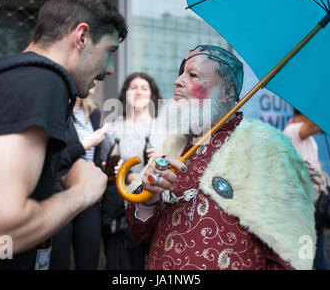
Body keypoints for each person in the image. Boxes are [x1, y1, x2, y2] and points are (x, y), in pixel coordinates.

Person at [0, 0, 127, 269]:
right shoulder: (40, 81)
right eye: (109, 50)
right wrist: (81, 193)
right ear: (82, 36)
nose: (110, 68)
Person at [125, 45, 316, 270]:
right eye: (181, 72)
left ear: (227, 91)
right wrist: (149, 199)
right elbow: (140, 233)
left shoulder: (267, 149)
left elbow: (291, 253)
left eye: (193, 74)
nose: (178, 81)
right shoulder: (173, 145)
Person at [100, 72, 165, 269]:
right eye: (133, 87)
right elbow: (104, 166)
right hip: (120, 209)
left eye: (144, 88)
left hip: (155, 208)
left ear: (152, 95)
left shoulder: (164, 128)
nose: (138, 92)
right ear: (125, 93)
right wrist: (128, 175)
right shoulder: (111, 128)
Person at [50, 90, 106, 270]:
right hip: (60, 194)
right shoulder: (56, 111)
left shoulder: (94, 113)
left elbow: (95, 157)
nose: (99, 76)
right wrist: (84, 145)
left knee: (89, 261)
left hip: (89, 198)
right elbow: (52, 159)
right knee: (58, 262)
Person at [283, 110, 330, 270]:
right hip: (305, 199)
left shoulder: (294, 129)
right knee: (312, 245)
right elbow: (317, 125)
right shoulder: (294, 130)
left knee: (314, 243)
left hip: (309, 196)